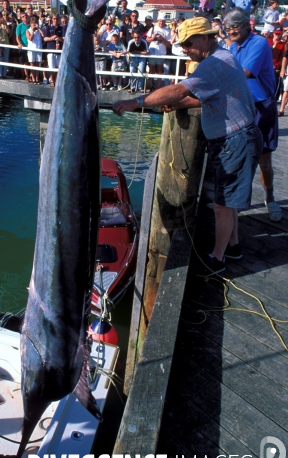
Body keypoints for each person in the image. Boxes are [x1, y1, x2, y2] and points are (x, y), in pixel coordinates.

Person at [112, 17, 262, 275]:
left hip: (235, 140)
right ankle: (233, 246)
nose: (184, 49)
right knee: (229, 199)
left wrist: (136, 102)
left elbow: (179, 91)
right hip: (235, 138)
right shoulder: (222, 56)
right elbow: (212, 99)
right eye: (181, 44)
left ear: (206, 37)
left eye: (188, 43)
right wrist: (180, 104)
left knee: (222, 204)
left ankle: (217, 259)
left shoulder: (214, 64)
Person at [224, 8, 282, 222]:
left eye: (234, 26)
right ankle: (239, 201)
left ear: (247, 25)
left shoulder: (258, 43)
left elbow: (244, 72)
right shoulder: (232, 45)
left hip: (261, 107)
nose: (230, 31)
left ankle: (270, 198)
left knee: (264, 160)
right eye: (227, 28)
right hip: (240, 106)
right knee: (241, 158)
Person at [146, 13, 171, 88]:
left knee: (160, 69)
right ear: (157, 21)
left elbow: (169, 44)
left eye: (163, 21)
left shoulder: (167, 30)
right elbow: (147, 39)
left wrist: (162, 39)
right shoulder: (153, 28)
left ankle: (158, 86)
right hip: (152, 51)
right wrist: (153, 38)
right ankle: (150, 86)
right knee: (151, 68)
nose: (161, 23)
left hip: (161, 52)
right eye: (160, 21)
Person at [43, 14, 63, 87]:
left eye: (57, 19)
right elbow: (45, 38)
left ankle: (57, 81)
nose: (55, 20)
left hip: (59, 50)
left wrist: (59, 38)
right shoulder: (48, 28)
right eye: (54, 19)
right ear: (52, 19)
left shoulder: (61, 28)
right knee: (51, 67)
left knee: (58, 67)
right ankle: (52, 81)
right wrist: (52, 38)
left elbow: (64, 39)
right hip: (51, 50)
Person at [26, 15, 44, 84]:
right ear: (30, 24)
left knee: (37, 64)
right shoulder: (28, 31)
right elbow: (30, 38)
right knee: (32, 64)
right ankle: (33, 79)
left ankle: (37, 79)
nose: (34, 24)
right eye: (33, 23)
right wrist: (33, 31)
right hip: (31, 49)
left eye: (35, 23)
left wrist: (38, 28)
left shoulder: (39, 30)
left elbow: (43, 35)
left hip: (38, 48)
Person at [16, 11, 30, 81]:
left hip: (30, 46)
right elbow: (17, 36)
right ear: (21, 18)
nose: (25, 17)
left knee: (29, 62)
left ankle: (28, 76)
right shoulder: (19, 26)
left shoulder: (31, 25)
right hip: (23, 46)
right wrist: (19, 43)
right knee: (23, 62)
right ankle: (25, 75)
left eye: (26, 16)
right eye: (23, 16)